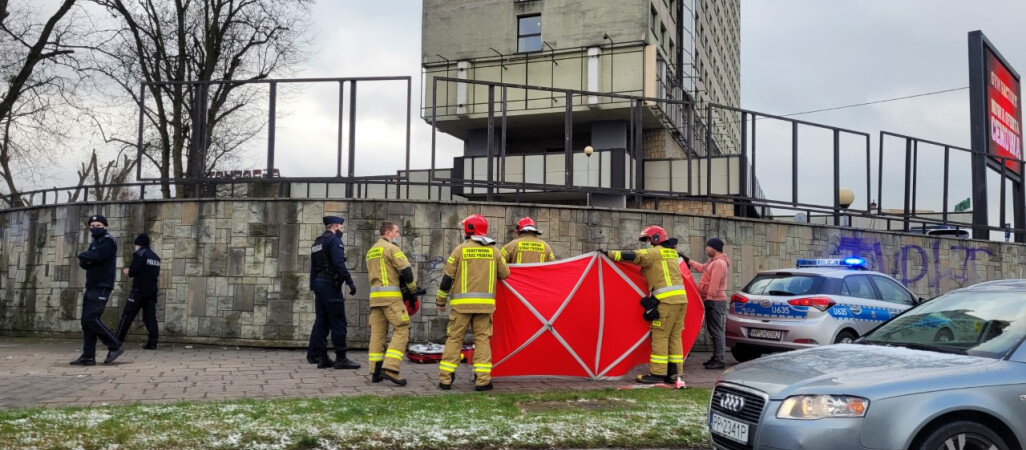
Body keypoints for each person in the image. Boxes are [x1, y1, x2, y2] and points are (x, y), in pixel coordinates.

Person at [436, 214, 510, 391]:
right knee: (482, 340)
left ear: (468, 230)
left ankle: (445, 380)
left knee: (454, 339)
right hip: (485, 307)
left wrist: (440, 300)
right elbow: (505, 274)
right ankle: (483, 381)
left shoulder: (459, 250)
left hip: (461, 307)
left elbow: (447, 278)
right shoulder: (494, 251)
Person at [606, 225, 688, 384]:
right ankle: (675, 374)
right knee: (675, 337)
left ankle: (657, 374)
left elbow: (633, 256)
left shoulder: (654, 253)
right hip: (681, 301)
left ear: (655, 239)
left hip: (666, 302)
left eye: (647, 240)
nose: (646, 243)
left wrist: (609, 253)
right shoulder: (672, 253)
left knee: (660, 335)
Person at [365, 221, 418, 386]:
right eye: (396, 232)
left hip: (375, 300)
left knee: (377, 335)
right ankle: (391, 369)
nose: (398, 235)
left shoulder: (371, 251)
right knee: (402, 329)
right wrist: (412, 290)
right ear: (388, 233)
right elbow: (406, 271)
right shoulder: (392, 248)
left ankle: (375, 371)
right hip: (391, 299)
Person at [306, 216, 361, 370]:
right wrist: (349, 281)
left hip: (319, 284)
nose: (342, 231)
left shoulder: (318, 242)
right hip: (330, 284)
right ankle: (341, 358)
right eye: (341, 228)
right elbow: (338, 263)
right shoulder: (334, 241)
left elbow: (314, 268)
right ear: (336, 226)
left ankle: (320, 356)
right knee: (338, 321)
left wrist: (314, 286)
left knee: (322, 321)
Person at [71, 214, 123, 366]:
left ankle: (115, 345)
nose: (95, 228)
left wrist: (84, 256)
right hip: (92, 285)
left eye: (98, 226)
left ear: (105, 226)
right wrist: (87, 258)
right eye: (92, 226)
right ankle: (88, 356)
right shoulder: (95, 242)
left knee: (91, 319)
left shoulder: (108, 241)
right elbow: (86, 263)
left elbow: (96, 256)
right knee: (86, 322)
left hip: (102, 285)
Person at [686, 237, 731, 370]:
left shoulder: (719, 264)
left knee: (716, 331)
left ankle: (720, 359)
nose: (706, 249)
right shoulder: (713, 261)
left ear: (714, 248)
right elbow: (701, 268)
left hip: (715, 301)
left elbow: (714, 283)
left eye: (708, 246)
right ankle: (716, 356)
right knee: (713, 330)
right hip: (711, 299)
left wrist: (709, 298)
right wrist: (687, 260)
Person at [115, 233, 161, 350]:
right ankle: (152, 343)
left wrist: (128, 271)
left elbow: (134, 271)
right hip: (151, 291)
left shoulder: (140, 254)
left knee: (127, 315)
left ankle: (117, 341)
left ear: (138, 244)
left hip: (139, 290)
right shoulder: (155, 257)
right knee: (150, 317)